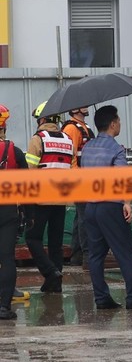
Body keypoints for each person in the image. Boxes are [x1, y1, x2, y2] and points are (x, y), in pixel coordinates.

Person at [79, 106, 132, 310]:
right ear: (113, 124)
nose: (120, 123)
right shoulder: (116, 149)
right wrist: (127, 203)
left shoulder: (87, 147)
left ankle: (102, 298)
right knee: (125, 253)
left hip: (90, 207)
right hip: (111, 207)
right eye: (119, 120)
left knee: (95, 256)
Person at [24, 101, 74, 294]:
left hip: (41, 198)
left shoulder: (38, 139)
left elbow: (30, 172)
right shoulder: (67, 139)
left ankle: (50, 272)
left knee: (33, 238)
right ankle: (55, 285)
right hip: (60, 199)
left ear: (42, 119)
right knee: (56, 243)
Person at [0, 105, 28, 320]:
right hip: (8, 210)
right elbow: (28, 186)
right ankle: (4, 307)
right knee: (7, 258)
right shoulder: (14, 151)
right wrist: (28, 214)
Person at [62, 107, 94, 266]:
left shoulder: (85, 128)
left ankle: (77, 255)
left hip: (87, 178)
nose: (87, 107)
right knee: (85, 217)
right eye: (83, 105)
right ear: (74, 109)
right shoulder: (71, 128)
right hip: (80, 180)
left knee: (80, 218)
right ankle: (86, 257)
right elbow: (70, 154)